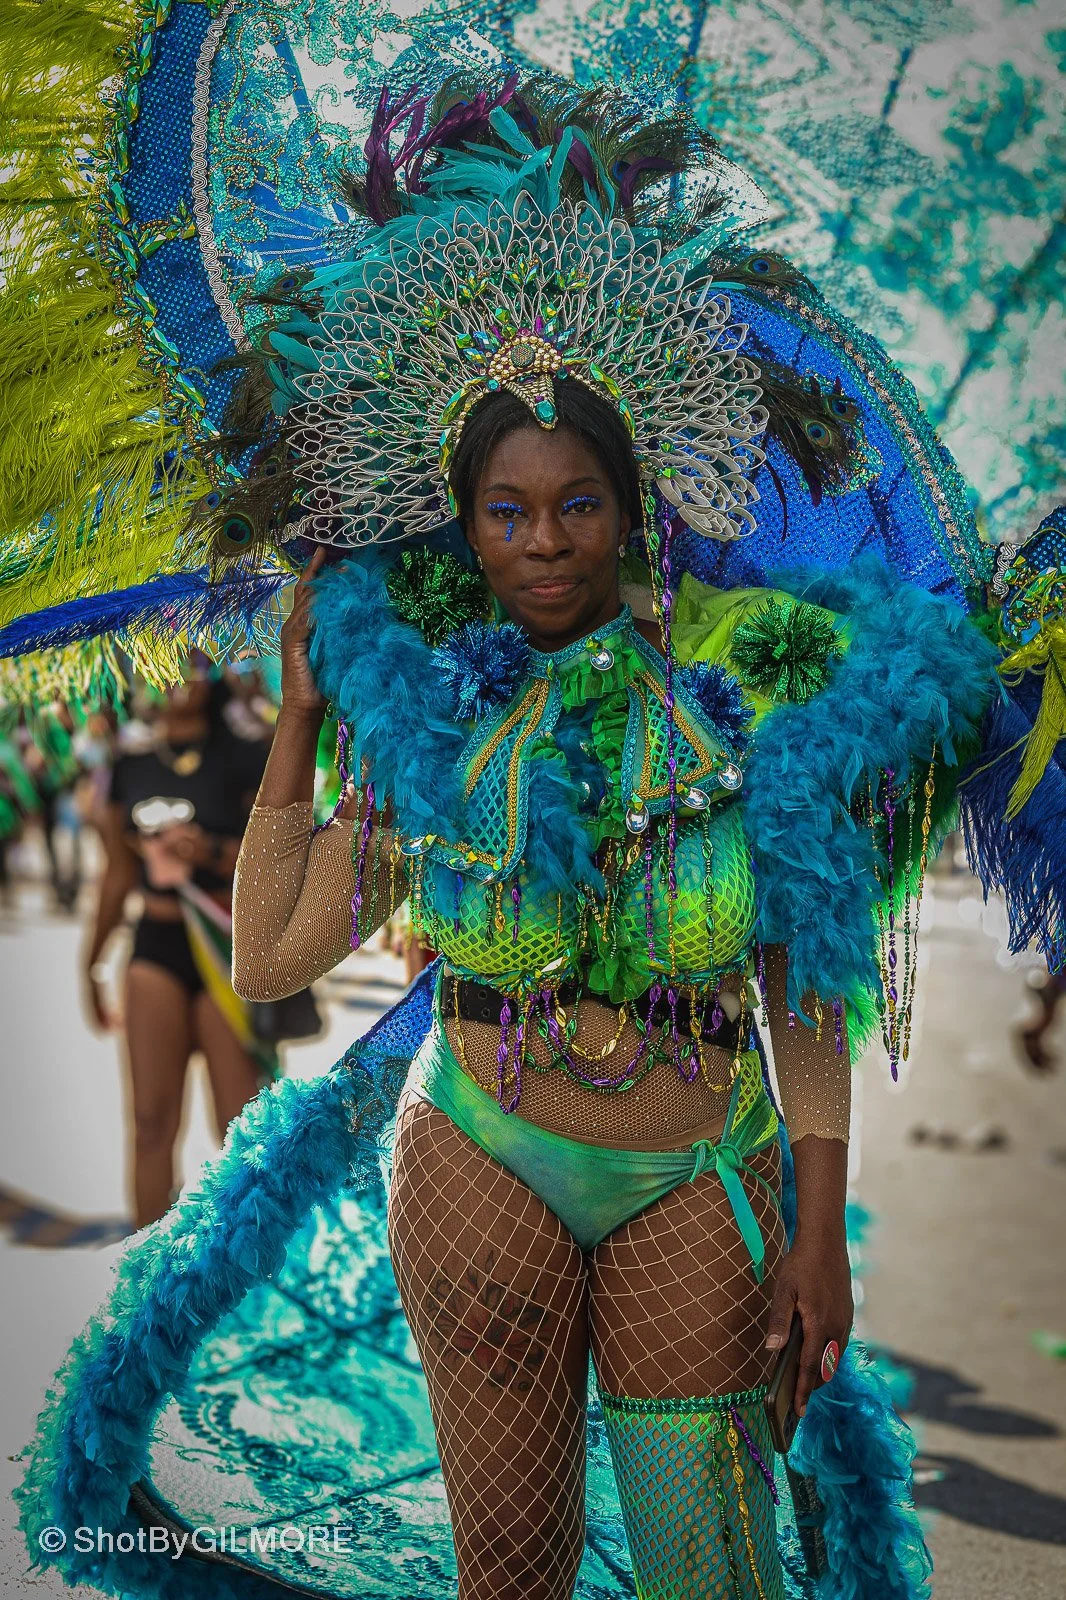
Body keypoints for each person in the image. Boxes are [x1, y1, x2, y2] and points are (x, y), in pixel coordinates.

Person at [15, 69, 1035, 1600]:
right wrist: (303, 718)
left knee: (709, 1561)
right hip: (476, 1148)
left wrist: (816, 1232)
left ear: (629, 508)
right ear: (463, 516)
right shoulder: (430, 705)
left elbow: (801, 975)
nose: (539, 542)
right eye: (504, 510)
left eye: (572, 505)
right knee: (509, 1569)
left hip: (698, 1155)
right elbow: (282, 953)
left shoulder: (748, 684)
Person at [84, 668, 271, 1225]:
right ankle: (144, 1281)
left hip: (226, 949)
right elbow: (116, 877)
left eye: (191, 661)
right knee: (149, 1122)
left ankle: (251, 1282)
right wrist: (89, 965)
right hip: (156, 947)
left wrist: (210, 850)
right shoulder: (130, 765)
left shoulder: (247, 753)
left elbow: (279, 857)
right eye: (162, 665)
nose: (178, 677)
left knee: (241, 1128)